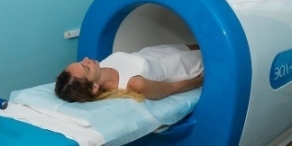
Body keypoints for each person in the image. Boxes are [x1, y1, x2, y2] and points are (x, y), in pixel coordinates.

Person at [55, 44, 204, 103]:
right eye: (85, 67)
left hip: (164, 51)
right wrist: (200, 81)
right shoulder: (134, 83)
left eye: (81, 62)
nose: (87, 59)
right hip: (183, 65)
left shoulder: (101, 67)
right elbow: (171, 88)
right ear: (94, 87)